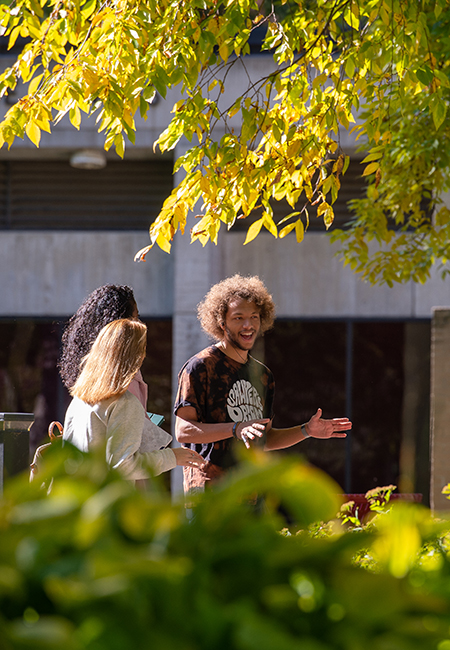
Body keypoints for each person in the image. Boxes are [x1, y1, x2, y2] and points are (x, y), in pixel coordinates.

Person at [174, 274, 352, 495]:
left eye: (254, 317)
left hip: (252, 492)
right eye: (238, 318)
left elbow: (264, 439)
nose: (248, 325)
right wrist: (236, 428)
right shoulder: (200, 367)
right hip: (210, 496)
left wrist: (306, 430)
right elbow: (183, 431)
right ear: (222, 322)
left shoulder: (263, 376)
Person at [63, 319, 204, 481]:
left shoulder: (80, 399)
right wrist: (172, 457)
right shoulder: (124, 402)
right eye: (143, 348)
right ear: (136, 354)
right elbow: (122, 465)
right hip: (106, 501)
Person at [59, 284, 148, 408]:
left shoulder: (88, 373)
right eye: (135, 317)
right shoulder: (121, 378)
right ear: (120, 325)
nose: (137, 323)